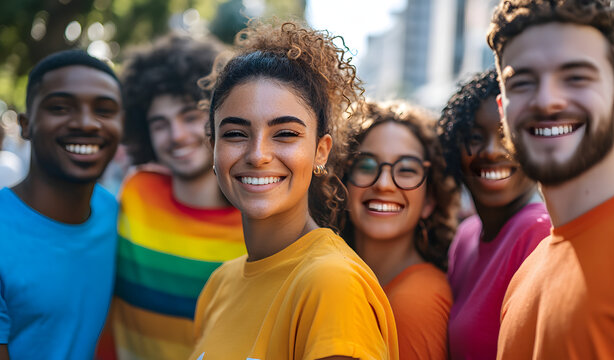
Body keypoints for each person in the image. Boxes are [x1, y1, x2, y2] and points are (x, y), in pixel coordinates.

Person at [190, 21, 398, 360]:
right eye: (235, 134)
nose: (258, 155)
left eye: (285, 134)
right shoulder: (218, 286)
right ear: (212, 147)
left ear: (321, 151)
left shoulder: (333, 284)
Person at [487, 0, 614, 357]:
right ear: (503, 110)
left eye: (575, 77)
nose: (547, 101)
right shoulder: (524, 278)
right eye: (523, 83)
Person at [105, 34, 245, 359]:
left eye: (189, 116)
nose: (177, 135)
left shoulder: (257, 226)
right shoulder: (136, 191)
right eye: (160, 124)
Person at [0, 50, 122, 359]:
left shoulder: (116, 213)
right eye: (60, 107)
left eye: (105, 110)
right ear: (26, 126)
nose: (87, 123)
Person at [438, 69, 551, 360]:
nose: (491, 151)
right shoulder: (466, 236)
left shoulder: (538, 231)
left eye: (507, 135)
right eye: (475, 137)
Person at [339, 101, 458, 359]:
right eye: (367, 165)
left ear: (429, 201)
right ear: (344, 184)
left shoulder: (416, 301)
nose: (384, 184)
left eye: (406, 170)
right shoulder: (345, 283)